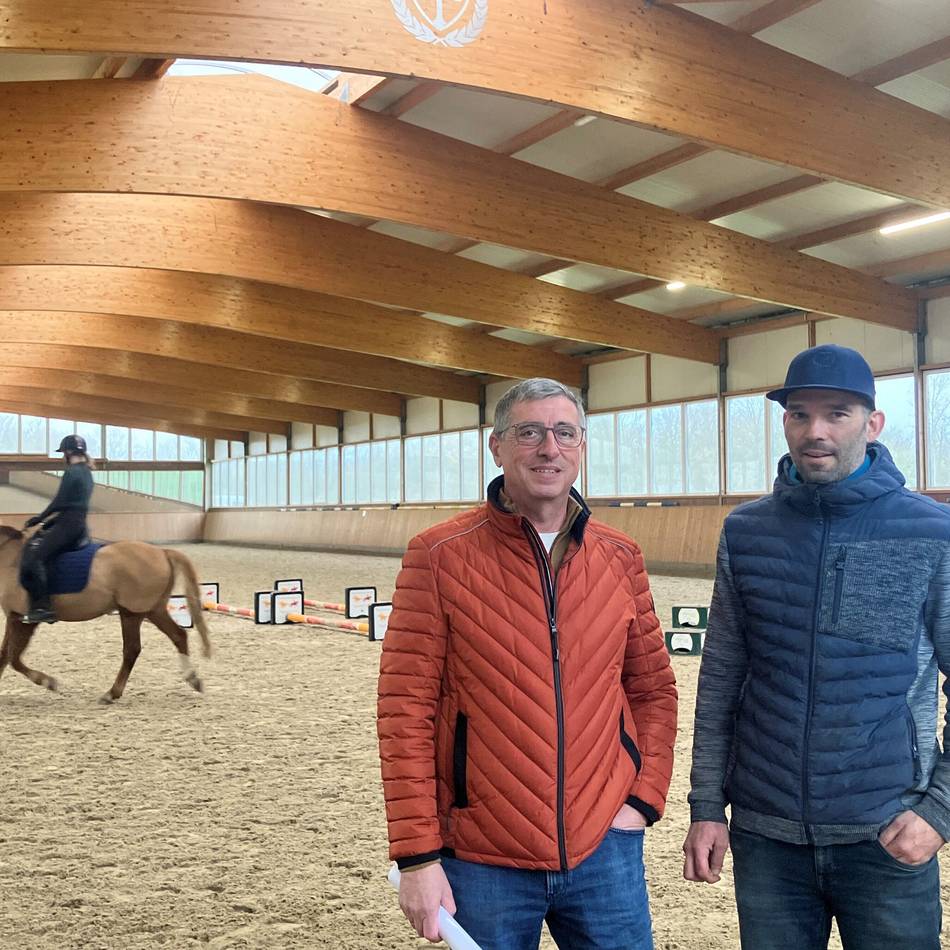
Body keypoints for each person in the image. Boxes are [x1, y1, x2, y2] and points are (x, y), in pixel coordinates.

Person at [378, 377, 677, 950]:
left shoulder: (620, 557)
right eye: (530, 432)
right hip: (481, 855)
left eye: (565, 432)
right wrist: (416, 855)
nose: (549, 448)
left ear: (581, 446)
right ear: (497, 447)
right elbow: (404, 710)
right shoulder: (438, 556)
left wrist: (643, 798)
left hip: (604, 848)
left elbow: (653, 689)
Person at [683, 344, 950, 950]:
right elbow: (722, 675)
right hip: (767, 840)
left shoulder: (930, 532)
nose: (816, 430)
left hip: (886, 834)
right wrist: (705, 804)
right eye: (799, 414)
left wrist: (939, 813)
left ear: (873, 423)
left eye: (837, 413)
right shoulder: (747, 533)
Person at [20, 434, 95, 624]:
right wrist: (48, 522)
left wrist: (40, 518)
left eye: (63, 453)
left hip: (68, 524)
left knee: (35, 557)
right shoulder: (87, 471)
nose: (63, 457)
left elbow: (60, 501)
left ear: (69, 452)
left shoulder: (71, 472)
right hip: (78, 524)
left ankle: (42, 607)